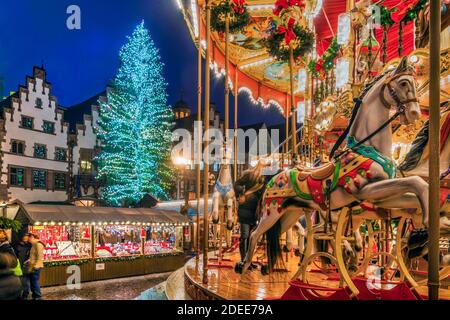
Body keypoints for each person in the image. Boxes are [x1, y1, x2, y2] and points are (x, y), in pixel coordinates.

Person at [25, 233, 44, 300]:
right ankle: (35, 295)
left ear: (32, 237)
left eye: (29, 238)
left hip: (36, 267)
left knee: (34, 281)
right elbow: (33, 256)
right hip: (32, 266)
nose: (28, 240)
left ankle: (37, 296)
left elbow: (40, 256)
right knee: (33, 281)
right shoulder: (33, 245)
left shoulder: (38, 244)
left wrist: (37, 265)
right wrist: (28, 261)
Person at [14, 233, 32, 299]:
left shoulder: (30, 245)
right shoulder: (18, 245)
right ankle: (19, 295)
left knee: (26, 282)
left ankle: (25, 296)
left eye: (27, 237)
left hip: (26, 266)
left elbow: (32, 256)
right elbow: (15, 256)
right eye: (24, 236)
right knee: (19, 282)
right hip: (18, 266)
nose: (25, 238)